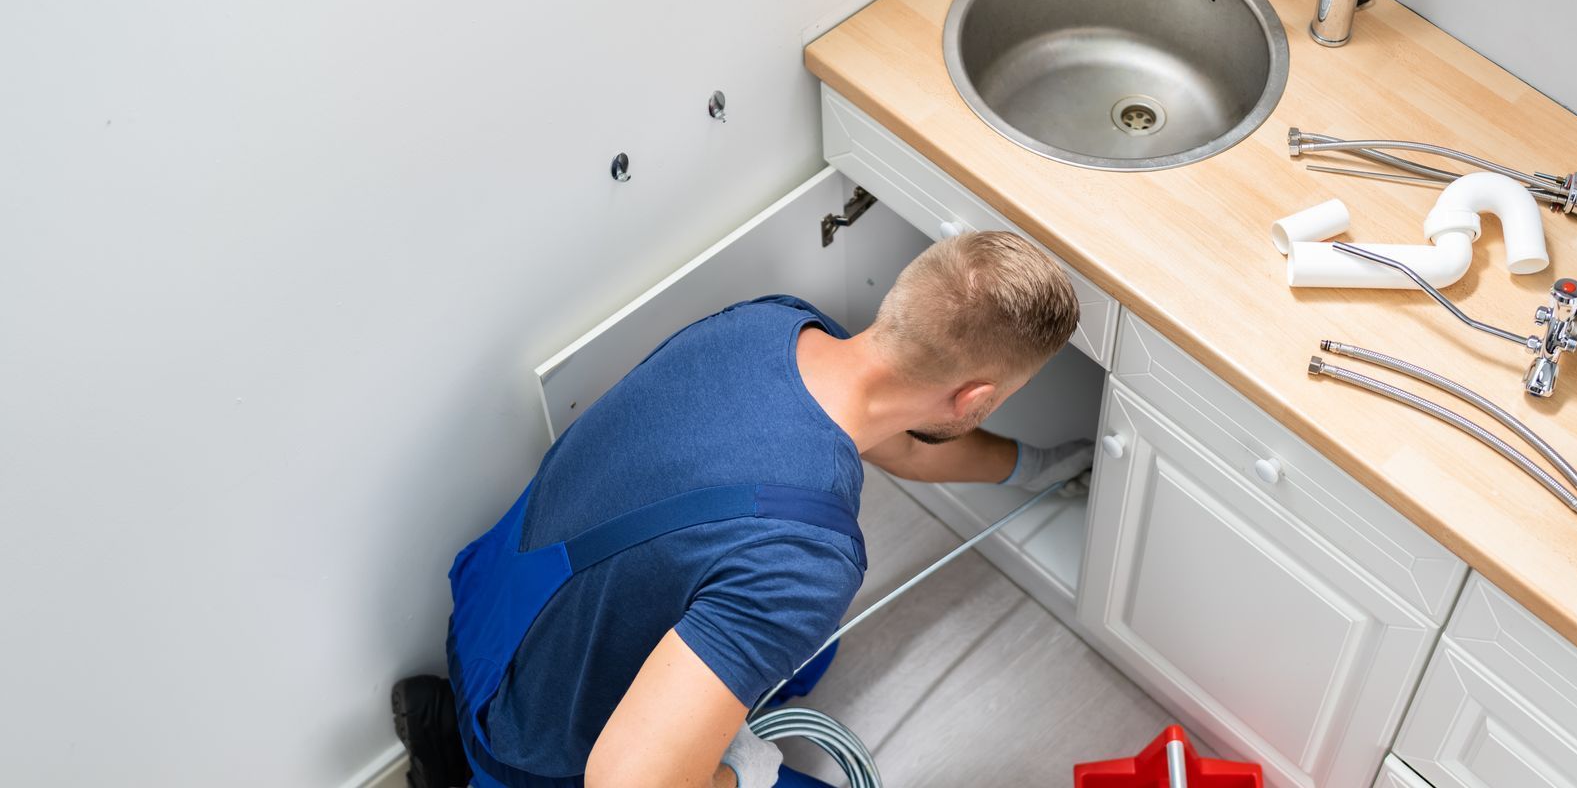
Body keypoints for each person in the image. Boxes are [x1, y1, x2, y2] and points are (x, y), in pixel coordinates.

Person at [391, 231, 1095, 788]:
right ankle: (469, 763)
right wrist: (739, 775)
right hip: (533, 744)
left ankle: (451, 730)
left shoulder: (776, 325)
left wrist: (1034, 466)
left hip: (490, 608)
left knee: (808, 654)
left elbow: (906, 449)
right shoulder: (807, 559)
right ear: (974, 401)